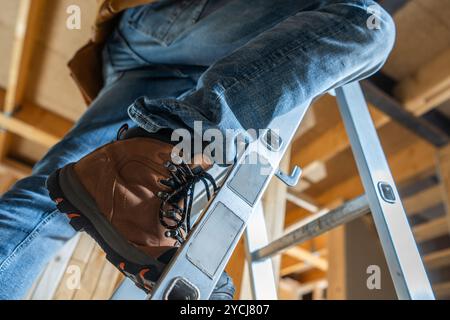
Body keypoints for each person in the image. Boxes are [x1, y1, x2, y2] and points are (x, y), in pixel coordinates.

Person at [0, 0, 395, 300]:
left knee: (63, 186)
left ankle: (136, 171)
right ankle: (164, 155)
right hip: (165, 26)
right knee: (368, 25)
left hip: (147, 61)